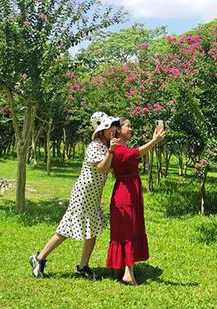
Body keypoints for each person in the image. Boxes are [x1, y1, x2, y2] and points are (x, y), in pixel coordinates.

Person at [29, 111, 120, 279]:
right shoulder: (95, 146)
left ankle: (83, 266)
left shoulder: (106, 146)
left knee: (92, 230)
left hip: (94, 195)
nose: (114, 130)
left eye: (115, 126)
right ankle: (39, 258)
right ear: (102, 130)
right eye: (110, 127)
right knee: (66, 229)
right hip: (83, 193)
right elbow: (102, 167)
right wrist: (112, 151)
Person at [106, 118, 166, 285]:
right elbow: (136, 153)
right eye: (128, 126)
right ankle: (128, 272)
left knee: (124, 231)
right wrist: (154, 140)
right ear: (118, 130)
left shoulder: (120, 147)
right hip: (125, 196)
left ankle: (120, 268)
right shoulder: (117, 149)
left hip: (129, 193)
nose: (131, 129)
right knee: (128, 232)